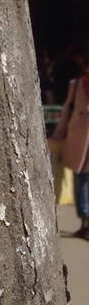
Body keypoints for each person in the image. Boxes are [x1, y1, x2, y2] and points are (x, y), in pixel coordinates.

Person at [54, 55, 89, 238]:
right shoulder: (76, 85)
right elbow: (67, 107)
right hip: (79, 136)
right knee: (80, 177)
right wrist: (60, 131)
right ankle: (85, 220)